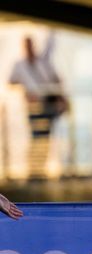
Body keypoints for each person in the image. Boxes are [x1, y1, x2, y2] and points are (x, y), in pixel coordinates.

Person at [8, 35, 68, 178]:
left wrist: (59, 97)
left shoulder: (43, 63)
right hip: (34, 107)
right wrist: (26, 91)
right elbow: (11, 82)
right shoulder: (19, 65)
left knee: (45, 136)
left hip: (47, 104)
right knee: (37, 136)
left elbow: (55, 79)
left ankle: (39, 169)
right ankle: (35, 170)